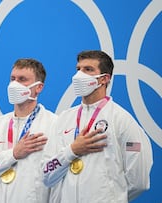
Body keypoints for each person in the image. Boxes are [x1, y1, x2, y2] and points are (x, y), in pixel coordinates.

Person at [42, 50, 153, 203]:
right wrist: (72, 151)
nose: (79, 75)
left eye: (88, 70)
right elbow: (46, 174)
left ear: (104, 79)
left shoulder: (122, 121)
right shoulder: (63, 120)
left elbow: (139, 181)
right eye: (78, 69)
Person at [0, 58, 58, 203]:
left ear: (39, 87)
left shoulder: (54, 125)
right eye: (12, 79)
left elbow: (57, 181)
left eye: (22, 79)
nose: (15, 84)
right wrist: (13, 154)